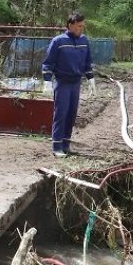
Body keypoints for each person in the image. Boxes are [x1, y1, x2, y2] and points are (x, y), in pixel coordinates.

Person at [41, 12, 96, 158]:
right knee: (61, 114)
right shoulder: (58, 41)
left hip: (76, 83)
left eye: (83, 26)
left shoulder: (84, 41)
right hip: (62, 82)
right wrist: (47, 80)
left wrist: (90, 78)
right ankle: (56, 146)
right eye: (78, 26)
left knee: (71, 114)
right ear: (70, 25)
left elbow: (87, 61)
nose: (81, 29)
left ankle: (65, 145)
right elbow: (48, 62)